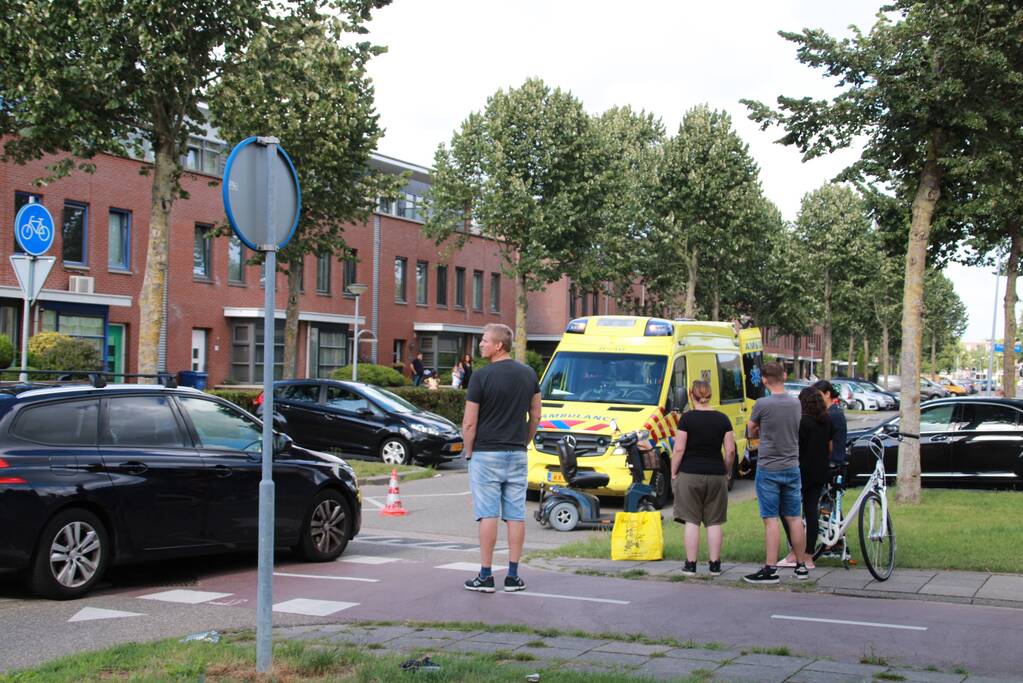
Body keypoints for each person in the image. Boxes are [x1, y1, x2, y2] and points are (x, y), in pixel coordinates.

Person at [462, 324, 541, 593]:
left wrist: (469, 451)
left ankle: (485, 576)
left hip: (486, 453)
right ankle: (513, 576)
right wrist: (525, 441)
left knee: (488, 514)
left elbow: (470, 422)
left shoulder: (481, 377)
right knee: (516, 514)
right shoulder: (529, 374)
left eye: (484, 341)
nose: (480, 345)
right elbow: (536, 415)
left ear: (498, 345)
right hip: (517, 452)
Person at [744, 361, 810, 584]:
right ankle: (801, 565)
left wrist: (757, 427)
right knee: (794, 517)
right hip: (792, 466)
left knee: (771, 519)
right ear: (784, 376)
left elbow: (750, 429)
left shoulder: (762, 404)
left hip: (768, 467)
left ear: (763, 379)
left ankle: (770, 568)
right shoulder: (795, 403)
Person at [670, 380, 736, 577]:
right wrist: (727, 470)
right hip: (716, 474)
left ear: (691, 394)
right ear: (711, 394)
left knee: (692, 520)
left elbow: (679, 448)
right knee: (714, 521)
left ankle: (690, 565)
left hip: (690, 473)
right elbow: (730, 450)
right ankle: (715, 565)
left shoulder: (686, 419)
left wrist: (674, 471)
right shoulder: (723, 419)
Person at [778, 386, 833, 569]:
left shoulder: (801, 422)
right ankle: (809, 556)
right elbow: (830, 447)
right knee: (811, 512)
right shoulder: (826, 421)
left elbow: (794, 447)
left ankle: (795, 551)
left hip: (800, 471)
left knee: (787, 511)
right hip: (820, 471)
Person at [814, 380, 847, 466]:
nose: (815, 398)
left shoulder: (832, 414)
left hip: (832, 462)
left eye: (818, 395)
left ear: (827, 394)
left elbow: (827, 441)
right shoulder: (834, 412)